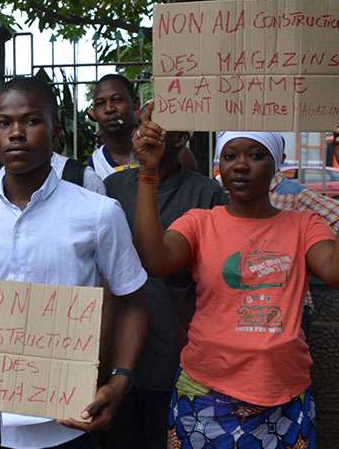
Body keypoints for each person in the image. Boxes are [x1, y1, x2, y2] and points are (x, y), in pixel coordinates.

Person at [0, 77, 148, 449]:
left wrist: (119, 380)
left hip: (64, 423)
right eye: (4, 123)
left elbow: (133, 301)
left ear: (55, 132)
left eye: (31, 121)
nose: (16, 133)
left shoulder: (98, 213)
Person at [132, 106, 339, 448]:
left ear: (278, 163)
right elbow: (155, 261)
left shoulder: (303, 225)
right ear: (220, 166)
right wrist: (147, 172)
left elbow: (333, 271)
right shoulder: (200, 222)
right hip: (206, 392)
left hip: (284, 395)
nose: (241, 165)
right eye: (230, 156)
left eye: (256, 155)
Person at [103, 128, 227, 449]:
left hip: (174, 351)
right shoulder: (113, 187)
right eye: (142, 124)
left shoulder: (207, 193)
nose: (146, 133)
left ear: (180, 138)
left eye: (158, 127)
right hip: (116, 351)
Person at [87, 74, 139, 179]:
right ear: (93, 113)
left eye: (117, 100)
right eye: (100, 103)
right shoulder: (94, 166)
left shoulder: (157, 151)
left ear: (135, 104)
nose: (109, 109)